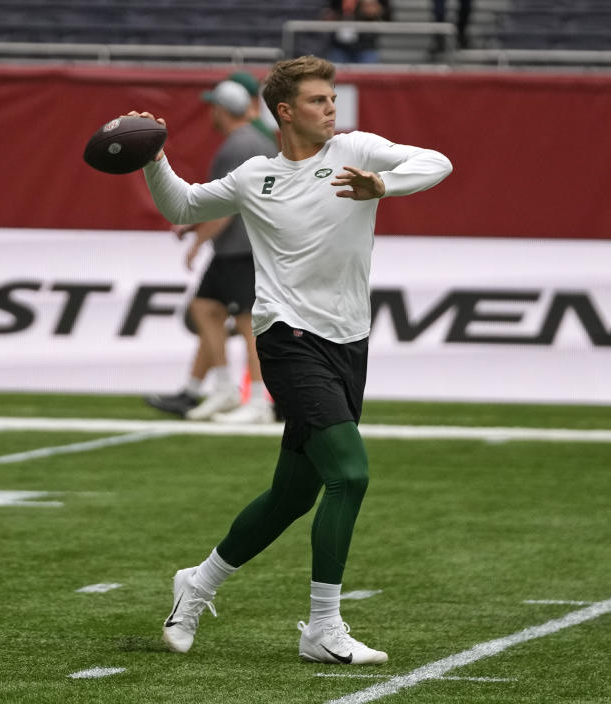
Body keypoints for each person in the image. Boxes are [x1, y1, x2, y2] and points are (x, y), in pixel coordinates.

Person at [130, 55, 451, 664]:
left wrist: (383, 184)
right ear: (285, 111)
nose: (332, 108)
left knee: (292, 496)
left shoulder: (356, 149)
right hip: (287, 337)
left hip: (348, 341)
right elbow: (182, 207)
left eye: (332, 98)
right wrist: (154, 158)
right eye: (317, 100)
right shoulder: (255, 175)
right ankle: (322, 627)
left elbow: (436, 162)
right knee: (350, 475)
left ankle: (195, 585)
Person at [144, 79, 278, 423]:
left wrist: (199, 240)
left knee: (250, 324)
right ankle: (222, 388)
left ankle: (260, 401)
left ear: (221, 109)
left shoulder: (239, 144)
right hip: (242, 245)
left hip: (244, 247)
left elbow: (229, 206)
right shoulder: (254, 140)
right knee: (206, 308)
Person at [324, 0, 389, 64]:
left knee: (368, 69)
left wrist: (376, 12)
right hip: (339, 46)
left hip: (365, 46)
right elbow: (327, 11)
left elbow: (387, 16)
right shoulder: (336, 3)